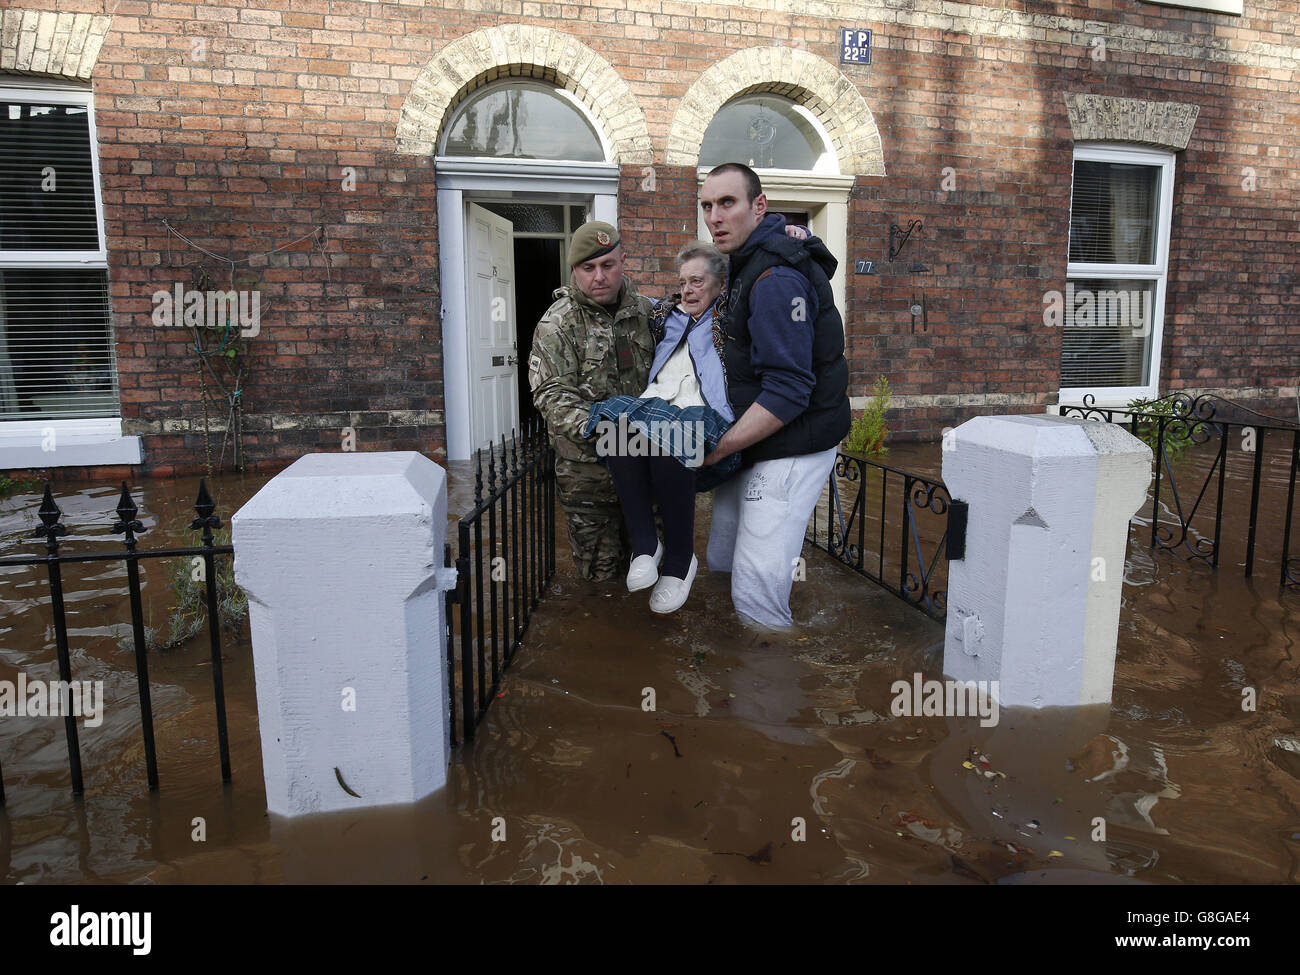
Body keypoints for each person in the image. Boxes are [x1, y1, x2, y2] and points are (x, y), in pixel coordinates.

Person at [698, 163, 852, 628]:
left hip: (794, 443)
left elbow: (788, 390)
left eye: (728, 203)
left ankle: (770, 678)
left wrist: (716, 450)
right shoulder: (749, 261)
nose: (714, 217)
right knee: (721, 557)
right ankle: (729, 665)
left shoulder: (775, 279)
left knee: (755, 592)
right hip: (760, 438)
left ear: (758, 206)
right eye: (707, 205)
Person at [582, 241, 741, 613]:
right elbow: (617, 297)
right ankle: (646, 545)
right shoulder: (663, 314)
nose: (687, 290)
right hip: (658, 403)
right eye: (683, 281)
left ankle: (681, 561)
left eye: (697, 282)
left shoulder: (734, 317)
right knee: (614, 428)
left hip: (705, 416)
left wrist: (796, 237)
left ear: (720, 285)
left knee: (671, 437)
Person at [528, 221, 656, 582]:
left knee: (654, 568)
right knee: (602, 580)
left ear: (623, 262)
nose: (599, 277)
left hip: (648, 469)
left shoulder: (649, 314)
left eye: (607, 265)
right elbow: (551, 395)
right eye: (588, 268)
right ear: (574, 270)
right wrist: (609, 430)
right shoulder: (557, 325)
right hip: (589, 478)